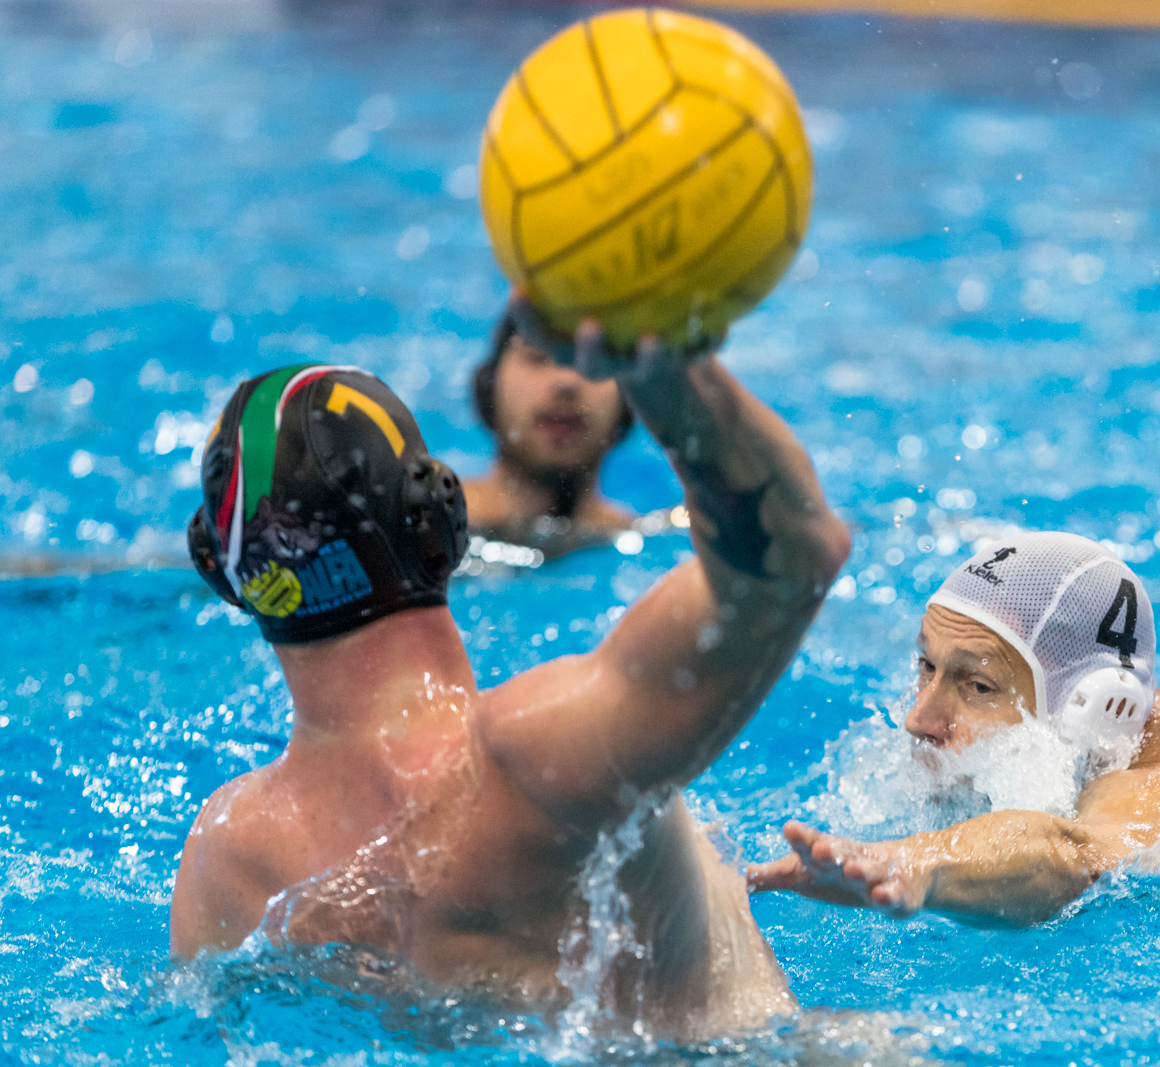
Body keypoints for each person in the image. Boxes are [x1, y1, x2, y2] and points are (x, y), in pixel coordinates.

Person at [170, 316, 851, 1039]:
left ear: (222, 574)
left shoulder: (231, 860)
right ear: (441, 517)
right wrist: (666, 369)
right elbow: (795, 553)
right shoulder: (544, 757)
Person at [746, 531, 1160, 926]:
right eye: (927, 666)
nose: (920, 719)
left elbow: (1071, 855)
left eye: (976, 687)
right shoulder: (1086, 696)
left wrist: (919, 863)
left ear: (1096, 709)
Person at [461, 304, 638, 557]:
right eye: (537, 358)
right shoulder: (416, 528)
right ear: (489, 387)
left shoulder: (644, 541)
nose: (566, 382)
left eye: (592, 364)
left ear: (627, 402)